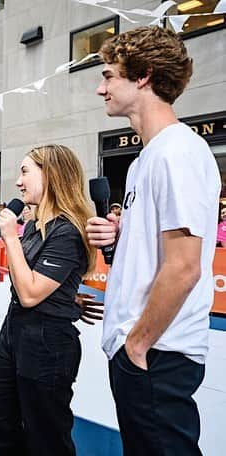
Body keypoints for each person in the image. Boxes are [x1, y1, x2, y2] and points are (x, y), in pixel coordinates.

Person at [86, 26, 220, 455]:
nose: (100, 88)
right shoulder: (148, 158)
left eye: (109, 76)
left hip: (157, 352)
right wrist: (124, 234)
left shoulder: (176, 152)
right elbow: (163, 247)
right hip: (144, 351)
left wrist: (137, 344)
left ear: (141, 76)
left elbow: (184, 265)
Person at [0, 145, 97, 456]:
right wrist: (67, 297)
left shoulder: (67, 231)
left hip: (46, 342)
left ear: (52, 175)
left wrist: (9, 237)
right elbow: (36, 283)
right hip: (14, 330)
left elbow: (31, 293)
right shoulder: (34, 225)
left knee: (46, 438)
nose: (18, 182)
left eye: (25, 172)